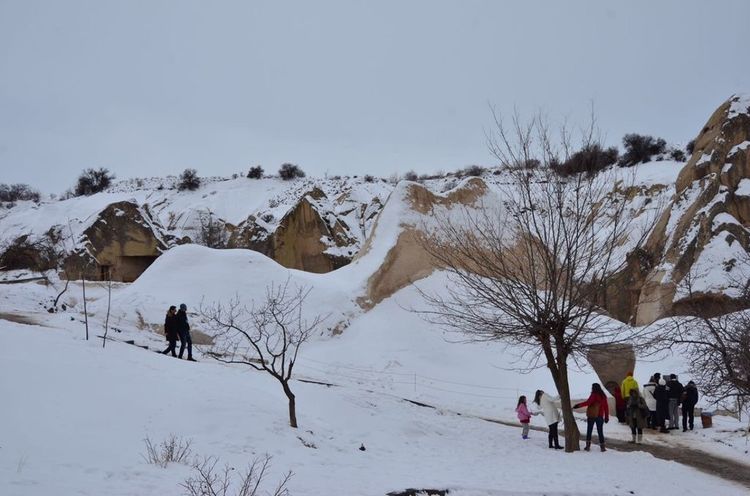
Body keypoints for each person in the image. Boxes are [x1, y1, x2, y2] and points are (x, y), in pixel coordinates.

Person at [573, 383, 610, 452]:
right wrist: (607, 417)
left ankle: (587, 446)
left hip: (592, 415)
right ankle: (602, 447)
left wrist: (578, 405)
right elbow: (606, 407)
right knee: (600, 431)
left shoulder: (594, 395)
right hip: (600, 416)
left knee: (589, 430)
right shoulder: (603, 396)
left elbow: (588, 402)